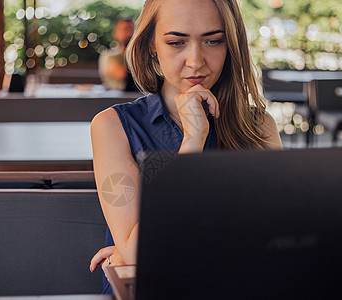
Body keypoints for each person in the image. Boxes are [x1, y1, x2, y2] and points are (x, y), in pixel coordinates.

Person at [89, 0, 283, 294]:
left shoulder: (259, 126)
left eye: (213, 41)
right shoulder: (112, 126)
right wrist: (192, 142)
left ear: (230, 44)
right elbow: (138, 255)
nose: (196, 61)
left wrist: (139, 249)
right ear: (152, 44)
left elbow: (278, 241)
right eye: (177, 42)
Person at [98, 18, 137, 91]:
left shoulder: (140, 56)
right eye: (125, 29)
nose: (129, 33)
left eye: (132, 29)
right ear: (115, 34)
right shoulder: (109, 56)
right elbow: (122, 75)